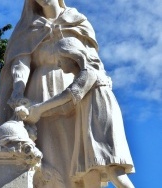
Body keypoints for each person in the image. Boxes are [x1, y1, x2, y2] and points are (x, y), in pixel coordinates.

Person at [0, 0, 134, 187]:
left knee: (78, 152)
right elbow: (21, 63)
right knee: (46, 151)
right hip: (38, 90)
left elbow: (91, 62)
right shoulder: (27, 27)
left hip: (76, 89)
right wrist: (18, 91)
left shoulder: (77, 20)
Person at [18, 38, 135, 187]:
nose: (58, 64)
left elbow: (70, 94)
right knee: (89, 172)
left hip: (99, 121)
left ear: (71, 56)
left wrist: (40, 108)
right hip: (89, 122)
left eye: (60, 59)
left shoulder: (89, 72)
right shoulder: (85, 77)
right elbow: (65, 106)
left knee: (113, 168)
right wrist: (38, 112)